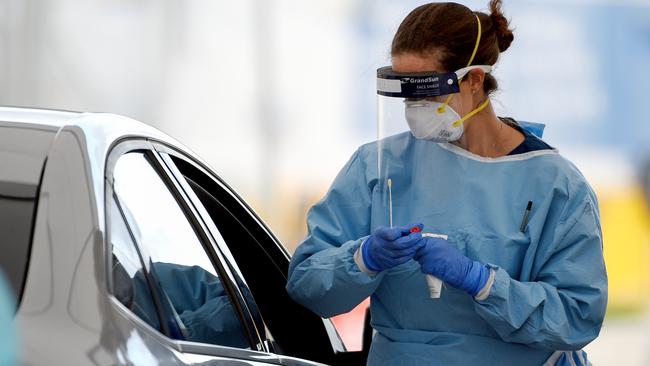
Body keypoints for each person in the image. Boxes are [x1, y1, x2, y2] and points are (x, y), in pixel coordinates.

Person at [286, 1, 607, 365]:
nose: (414, 106)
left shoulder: (555, 185)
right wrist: (362, 259)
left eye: (427, 90)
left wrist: (483, 282)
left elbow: (577, 317)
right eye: (406, 92)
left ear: (473, 80)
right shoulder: (378, 167)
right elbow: (307, 283)